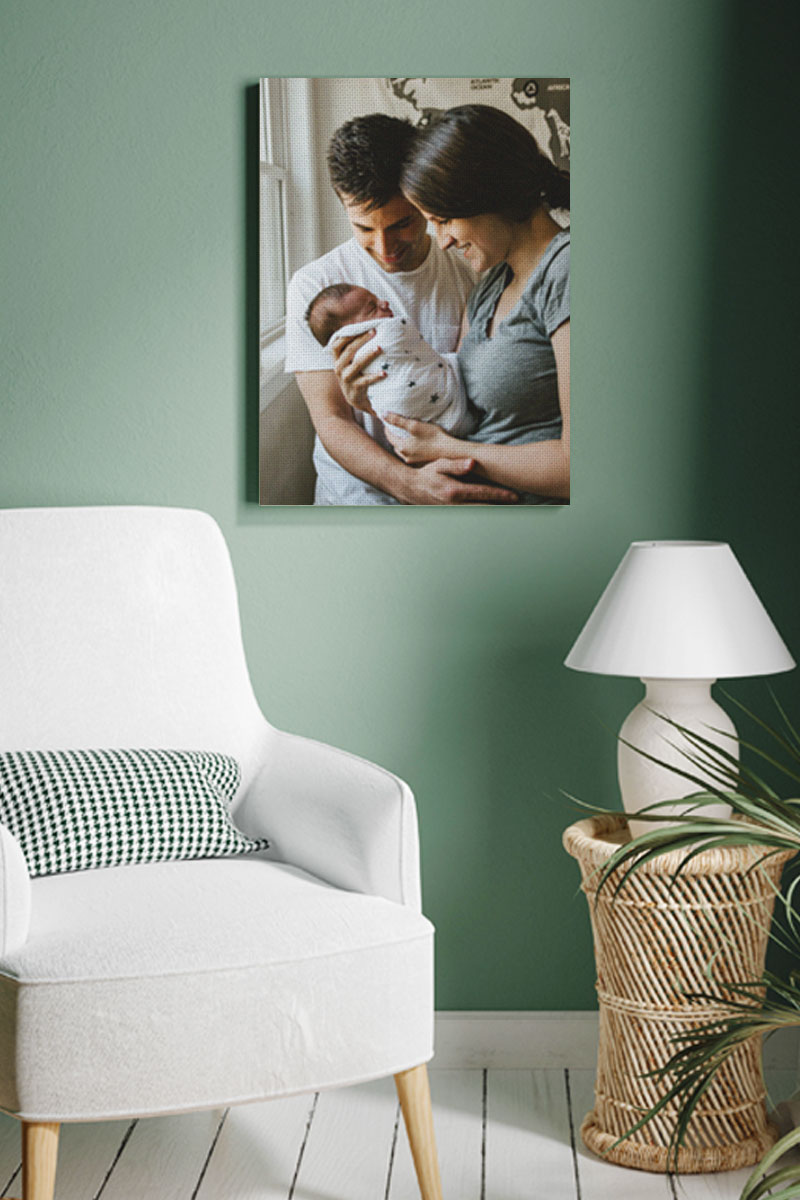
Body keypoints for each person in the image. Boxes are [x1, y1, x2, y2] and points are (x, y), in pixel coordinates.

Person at [340, 105, 570, 504]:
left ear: (489, 196)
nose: (442, 240)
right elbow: (457, 411)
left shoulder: (565, 271)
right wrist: (378, 398)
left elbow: (578, 467)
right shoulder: (489, 287)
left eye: (445, 220)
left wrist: (453, 452)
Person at [284, 114, 518, 505]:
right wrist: (410, 486)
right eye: (364, 228)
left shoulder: (472, 270)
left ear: (423, 198)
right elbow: (331, 418)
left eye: (403, 223)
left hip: (452, 485)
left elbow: (479, 394)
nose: (385, 246)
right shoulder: (316, 287)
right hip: (355, 499)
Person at [304, 283, 473, 437]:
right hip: (392, 443)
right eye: (372, 308)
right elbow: (330, 420)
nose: (384, 303)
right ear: (353, 331)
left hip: (413, 434)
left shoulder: (464, 275)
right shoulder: (310, 282)